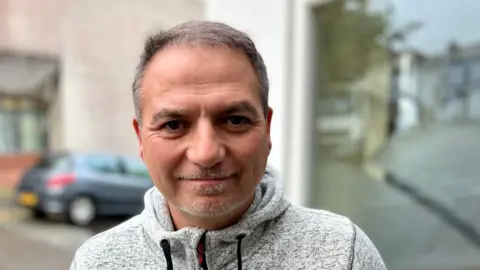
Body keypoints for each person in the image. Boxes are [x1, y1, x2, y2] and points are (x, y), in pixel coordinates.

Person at [70, 20, 386, 270]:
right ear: (140, 138)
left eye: (234, 120)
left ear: (268, 129)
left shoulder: (342, 253)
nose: (206, 153)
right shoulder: (97, 262)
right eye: (174, 125)